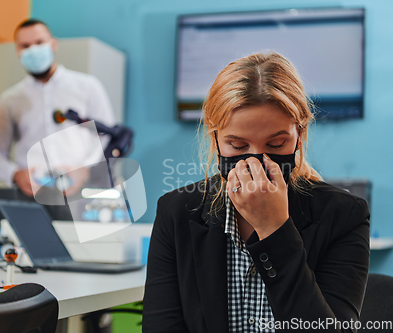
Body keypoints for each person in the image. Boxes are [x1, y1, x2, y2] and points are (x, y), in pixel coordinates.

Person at [142, 52, 370, 332]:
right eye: (237, 146)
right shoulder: (175, 212)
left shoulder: (344, 215)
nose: (255, 162)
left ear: (299, 134)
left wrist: (275, 230)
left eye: (276, 144)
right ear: (215, 137)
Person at [0, 19, 116, 204]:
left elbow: (107, 135)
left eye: (39, 42)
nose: (33, 50)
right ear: (18, 51)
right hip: (31, 196)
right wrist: (15, 174)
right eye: (25, 45)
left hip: (79, 194)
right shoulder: (10, 99)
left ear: (53, 44)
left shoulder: (87, 87)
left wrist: (84, 169)